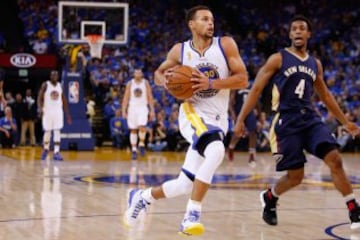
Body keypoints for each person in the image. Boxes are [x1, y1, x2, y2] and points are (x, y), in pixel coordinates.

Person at [123, 5, 248, 236]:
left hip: (218, 120)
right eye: (204, 19)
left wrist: (210, 84)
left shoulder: (225, 44)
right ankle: (192, 214)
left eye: (212, 19)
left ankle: (142, 196)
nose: (210, 23)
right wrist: (167, 79)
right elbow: (159, 74)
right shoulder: (180, 51)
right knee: (217, 150)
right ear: (192, 24)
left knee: (184, 184)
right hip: (192, 113)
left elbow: (243, 79)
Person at [234, 15, 360, 229]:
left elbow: (326, 96)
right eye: (295, 29)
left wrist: (344, 122)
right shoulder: (278, 58)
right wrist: (240, 119)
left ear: (309, 34)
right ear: (290, 34)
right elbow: (256, 89)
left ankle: (353, 208)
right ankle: (270, 197)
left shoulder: (315, 63)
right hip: (286, 121)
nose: (298, 31)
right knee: (296, 177)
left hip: (310, 119)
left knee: (335, 159)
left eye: (302, 28)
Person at [121, 68, 155, 160]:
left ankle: (141, 144)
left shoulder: (145, 83)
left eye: (140, 72)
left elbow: (150, 97)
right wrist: (123, 110)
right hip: (132, 108)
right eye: (136, 72)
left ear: (142, 74)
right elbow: (125, 98)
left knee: (142, 126)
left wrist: (152, 110)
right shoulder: (130, 84)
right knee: (133, 130)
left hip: (143, 107)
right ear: (134, 74)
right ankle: (134, 150)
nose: (138, 74)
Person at [38, 70, 72, 161]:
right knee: (47, 131)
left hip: (58, 112)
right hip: (47, 111)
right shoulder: (46, 84)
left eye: (56, 75)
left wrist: (67, 114)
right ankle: (46, 149)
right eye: (53, 75)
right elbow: (40, 97)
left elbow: (64, 100)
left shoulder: (60, 85)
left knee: (57, 131)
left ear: (58, 76)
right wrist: (40, 108)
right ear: (50, 76)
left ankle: (56, 152)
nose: (54, 76)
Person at [227, 87, 257, 167]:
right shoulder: (236, 87)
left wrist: (260, 115)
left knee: (253, 132)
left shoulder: (252, 85)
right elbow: (230, 103)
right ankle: (231, 147)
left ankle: (251, 155)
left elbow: (256, 100)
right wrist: (233, 114)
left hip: (250, 112)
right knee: (238, 133)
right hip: (239, 113)